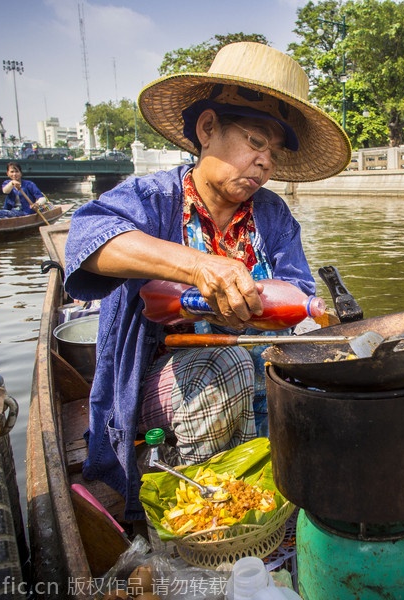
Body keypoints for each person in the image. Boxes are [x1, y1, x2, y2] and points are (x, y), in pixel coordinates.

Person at [63, 42, 351, 519]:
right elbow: (88, 241)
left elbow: (299, 295)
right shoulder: (152, 197)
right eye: (255, 142)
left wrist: (276, 313)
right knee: (226, 366)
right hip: (159, 384)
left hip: (255, 373)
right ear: (208, 128)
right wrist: (199, 266)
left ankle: (270, 485)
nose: (265, 162)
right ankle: (205, 510)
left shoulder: (273, 215)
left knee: (322, 370)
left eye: (273, 152)